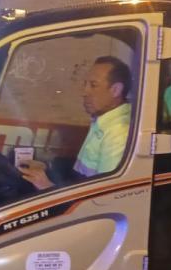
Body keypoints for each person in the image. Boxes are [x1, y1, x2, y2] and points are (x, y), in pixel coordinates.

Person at [18, 56, 132, 189]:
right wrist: (48, 167)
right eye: (85, 84)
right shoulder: (103, 121)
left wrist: (48, 187)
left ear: (116, 90)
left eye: (93, 85)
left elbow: (104, 196)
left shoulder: (119, 133)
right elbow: (81, 175)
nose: (85, 92)